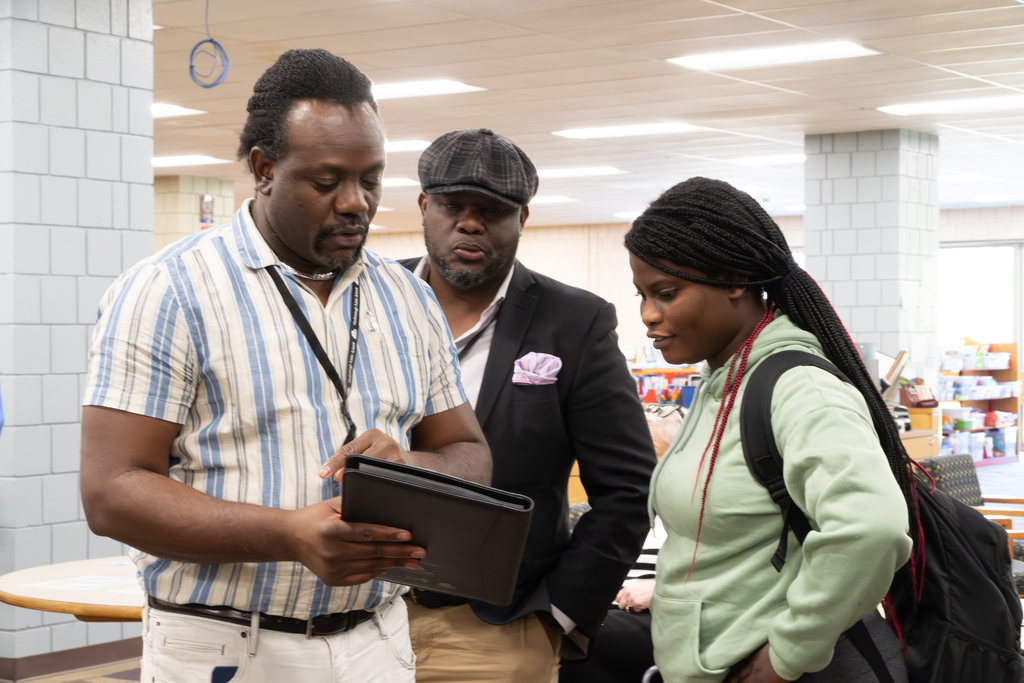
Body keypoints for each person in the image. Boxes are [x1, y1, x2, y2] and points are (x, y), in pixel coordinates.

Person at [79, 49, 491, 683]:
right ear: (264, 169)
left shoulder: (408, 296)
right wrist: (287, 534)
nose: (356, 203)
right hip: (228, 647)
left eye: (372, 180)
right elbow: (112, 494)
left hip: (378, 642)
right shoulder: (168, 290)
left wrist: (411, 467)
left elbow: (469, 452)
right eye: (327, 182)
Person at [626, 177, 917, 683]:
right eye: (643, 294)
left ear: (735, 279)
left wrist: (787, 655)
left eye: (667, 293)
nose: (649, 315)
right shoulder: (723, 380)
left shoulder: (797, 387)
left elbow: (872, 528)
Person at [398, 128, 657, 682]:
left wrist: (557, 614)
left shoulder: (574, 321)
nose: (470, 223)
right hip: (352, 618)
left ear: (523, 217)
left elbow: (628, 488)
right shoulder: (365, 296)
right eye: (452, 206)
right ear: (424, 206)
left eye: (493, 210)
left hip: (492, 630)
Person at [559, 403, 683, 683]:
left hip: (657, 616)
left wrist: (661, 589)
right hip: (601, 610)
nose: (636, 463)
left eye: (649, 451)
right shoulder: (606, 512)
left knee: (580, 646)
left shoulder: (691, 515)